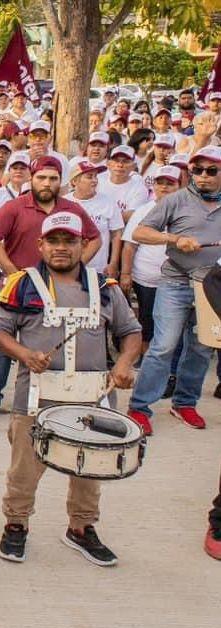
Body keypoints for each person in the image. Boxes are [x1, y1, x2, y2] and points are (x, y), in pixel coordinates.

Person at [0, 213, 140, 566]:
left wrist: (122, 364)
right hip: (37, 396)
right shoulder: (21, 285)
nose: (60, 248)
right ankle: (16, 524)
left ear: (83, 245)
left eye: (69, 241)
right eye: (53, 241)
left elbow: (130, 331)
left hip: (93, 398)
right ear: (40, 245)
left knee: (90, 469)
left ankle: (82, 528)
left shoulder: (105, 287)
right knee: (25, 469)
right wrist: (24, 354)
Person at [0, 157, 102, 425]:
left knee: (51, 344)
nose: (47, 183)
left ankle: (54, 399)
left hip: (58, 288)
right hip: (20, 288)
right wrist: (12, 272)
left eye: (53, 178)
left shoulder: (71, 209)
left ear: (61, 181)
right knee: (3, 344)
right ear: (32, 178)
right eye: (42, 177)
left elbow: (95, 238)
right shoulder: (15, 206)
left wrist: (76, 266)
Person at [125, 145, 221, 435]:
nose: (203, 176)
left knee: (202, 347)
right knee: (163, 345)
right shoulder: (176, 200)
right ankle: (139, 407)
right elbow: (140, 232)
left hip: (212, 285)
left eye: (211, 171)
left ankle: (184, 402)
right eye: (197, 170)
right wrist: (175, 239)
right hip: (176, 280)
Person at [120, 166, 182, 355]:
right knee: (147, 320)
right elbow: (129, 245)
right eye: (160, 183)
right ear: (153, 186)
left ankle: (170, 366)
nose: (164, 187)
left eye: (170, 183)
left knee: (172, 324)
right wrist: (126, 273)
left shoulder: (186, 210)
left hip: (176, 280)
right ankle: (146, 358)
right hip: (146, 278)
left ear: (179, 186)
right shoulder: (142, 211)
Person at [65, 158, 124, 276]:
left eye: (95, 176)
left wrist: (113, 263)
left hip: (98, 270)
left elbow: (116, 234)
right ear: (75, 181)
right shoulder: (64, 202)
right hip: (68, 269)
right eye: (89, 177)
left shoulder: (108, 202)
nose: (94, 181)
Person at [96, 145, 151, 219]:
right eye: (116, 160)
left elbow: (131, 216)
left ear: (133, 166)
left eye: (125, 161)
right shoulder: (97, 181)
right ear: (108, 164)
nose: (120, 165)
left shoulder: (139, 189)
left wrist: (100, 217)